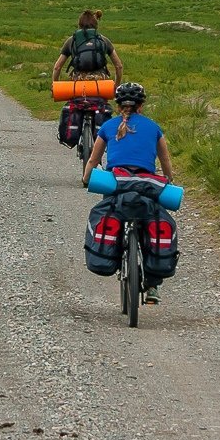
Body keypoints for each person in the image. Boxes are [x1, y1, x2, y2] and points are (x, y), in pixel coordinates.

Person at [80, 81, 174, 303]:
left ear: (118, 104)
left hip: (117, 184)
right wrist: (168, 180)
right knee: (152, 220)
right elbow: (165, 160)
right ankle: (152, 285)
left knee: (112, 211)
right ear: (141, 105)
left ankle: (113, 251)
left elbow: (94, 159)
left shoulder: (108, 127)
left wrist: (86, 178)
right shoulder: (154, 127)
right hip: (147, 185)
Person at [52, 9, 121, 82]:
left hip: (78, 81)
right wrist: (117, 85)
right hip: (100, 82)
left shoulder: (71, 40)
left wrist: (55, 85)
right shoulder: (104, 40)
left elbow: (57, 67)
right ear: (95, 25)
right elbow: (119, 66)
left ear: (79, 24)